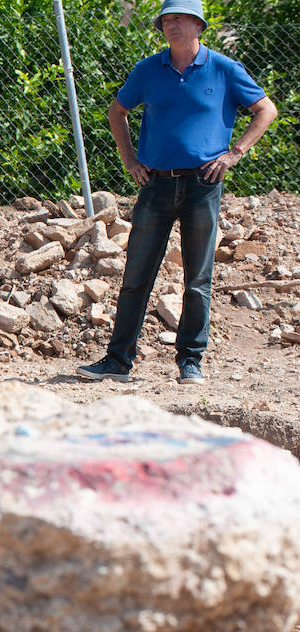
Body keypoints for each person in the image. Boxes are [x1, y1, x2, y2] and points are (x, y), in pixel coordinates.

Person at [78, 0, 277, 385]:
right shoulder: (148, 70)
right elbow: (116, 111)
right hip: (155, 184)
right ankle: (118, 361)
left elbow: (265, 110)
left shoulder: (224, 69)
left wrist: (236, 152)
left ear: (198, 25)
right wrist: (130, 160)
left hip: (204, 184)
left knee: (198, 278)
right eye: (167, 20)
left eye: (180, 19)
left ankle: (191, 362)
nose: (172, 25)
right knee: (137, 274)